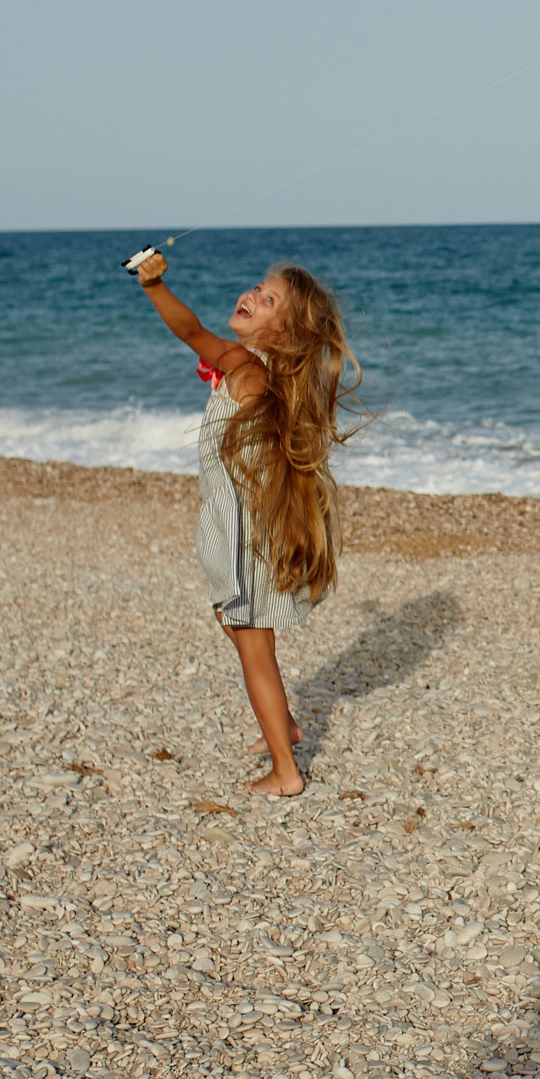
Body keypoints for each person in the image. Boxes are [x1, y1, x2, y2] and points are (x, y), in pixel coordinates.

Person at [131, 251, 360, 796]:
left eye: (268, 299)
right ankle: (286, 725)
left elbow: (189, 330)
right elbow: (191, 329)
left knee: (253, 643)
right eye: (259, 287)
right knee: (232, 622)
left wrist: (154, 285)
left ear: (282, 333)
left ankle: (286, 772)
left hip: (242, 531)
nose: (252, 296)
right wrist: (154, 287)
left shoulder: (250, 372)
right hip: (230, 523)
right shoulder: (247, 362)